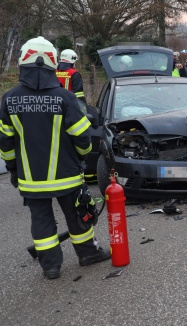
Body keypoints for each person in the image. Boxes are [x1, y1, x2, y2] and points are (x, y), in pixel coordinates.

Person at [0, 36, 110, 280]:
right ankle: (87, 254)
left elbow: (5, 143)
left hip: (31, 178)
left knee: (41, 222)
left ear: (22, 63)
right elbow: (83, 138)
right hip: (67, 175)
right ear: (52, 63)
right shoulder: (65, 98)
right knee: (75, 216)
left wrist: (14, 170)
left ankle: (51, 266)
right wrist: (81, 159)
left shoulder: (9, 99)